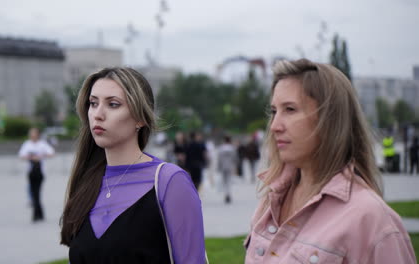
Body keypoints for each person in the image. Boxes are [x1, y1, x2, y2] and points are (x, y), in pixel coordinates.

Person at [244, 59, 416, 263]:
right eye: (274, 111)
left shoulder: (372, 220)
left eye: (290, 109)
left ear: (330, 120)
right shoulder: (272, 200)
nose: (274, 126)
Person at [59, 67, 206, 263]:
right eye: (93, 103)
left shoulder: (170, 182)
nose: (97, 114)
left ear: (140, 118)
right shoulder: (85, 183)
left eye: (113, 104)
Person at [18, 127, 55, 222]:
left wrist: (41, 156)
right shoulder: (27, 144)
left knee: (36, 193)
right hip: (31, 172)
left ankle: (36, 214)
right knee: (34, 193)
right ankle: (39, 214)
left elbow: (51, 153)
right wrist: (30, 157)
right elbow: (21, 155)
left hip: (40, 172)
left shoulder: (42, 144)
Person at [217, 135, 237, 204]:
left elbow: (219, 159)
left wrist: (218, 167)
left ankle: (225, 194)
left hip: (223, 166)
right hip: (230, 166)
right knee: (229, 181)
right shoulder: (232, 148)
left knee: (224, 181)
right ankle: (228, 193)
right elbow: (235, 158)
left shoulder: (221, 148)